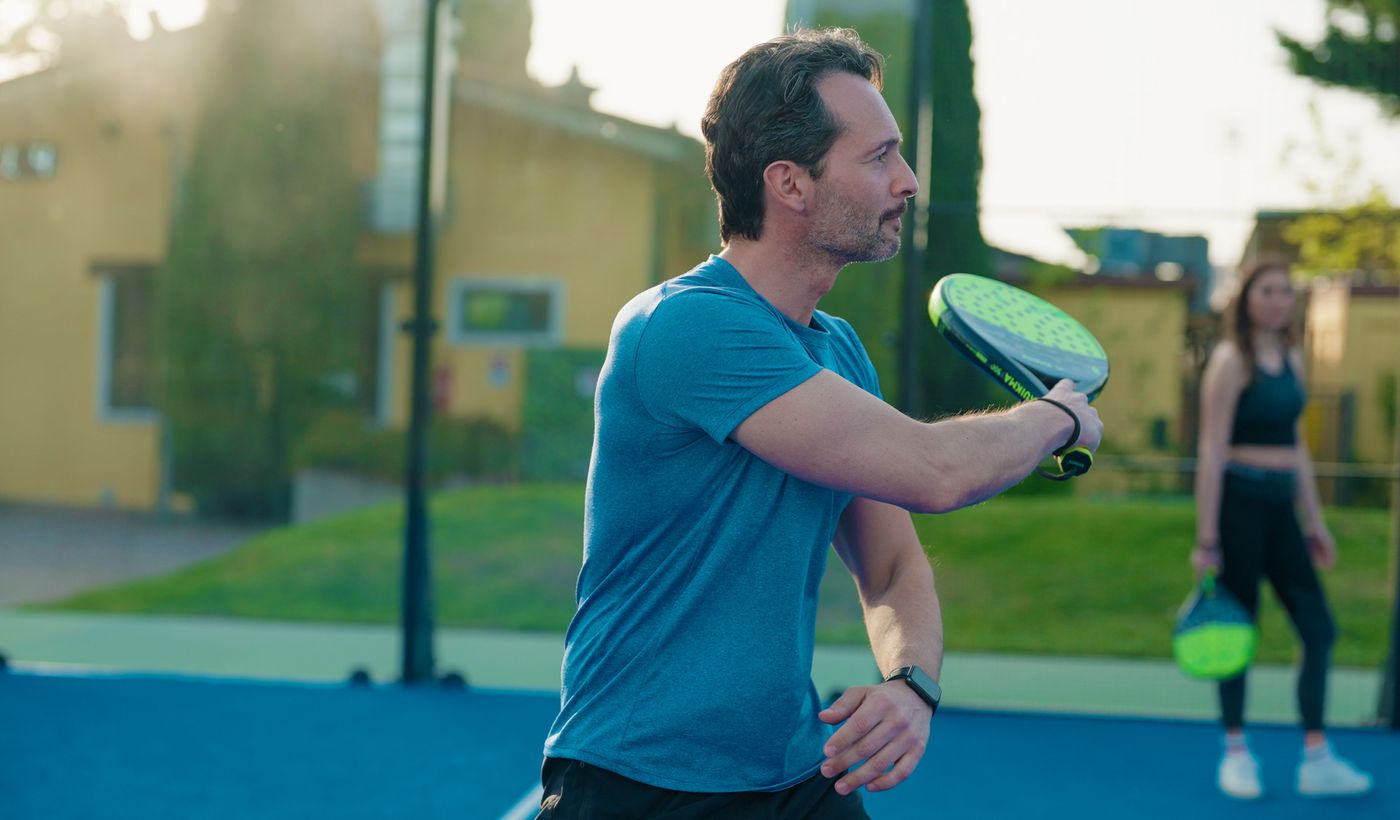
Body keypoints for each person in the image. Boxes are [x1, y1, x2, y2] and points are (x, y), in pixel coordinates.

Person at [537, 28, 1102, 819]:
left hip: (795, 777)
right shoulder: (687, 328)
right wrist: (1058, 419)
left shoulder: (835, 349)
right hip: (642, 784)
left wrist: (912, 683)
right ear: (790, 184)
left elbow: (894, 568)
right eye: (878, 158)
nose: (906, 182)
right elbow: (933, 470)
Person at [1191, 257, 1373, 800]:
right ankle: (1236, 752)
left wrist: (1314, 521)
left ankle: (1316, 757)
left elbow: (1297, 447)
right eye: (1267, 290)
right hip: (1239, 509)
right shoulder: (1229, 360)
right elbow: (1211, 450)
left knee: (1319, 629)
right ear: (1246, 297)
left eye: (1286, 292)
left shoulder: (1292, 356)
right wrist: (1206, 540)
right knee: (1236, 635)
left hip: (1282, 512)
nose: (1278, 300)